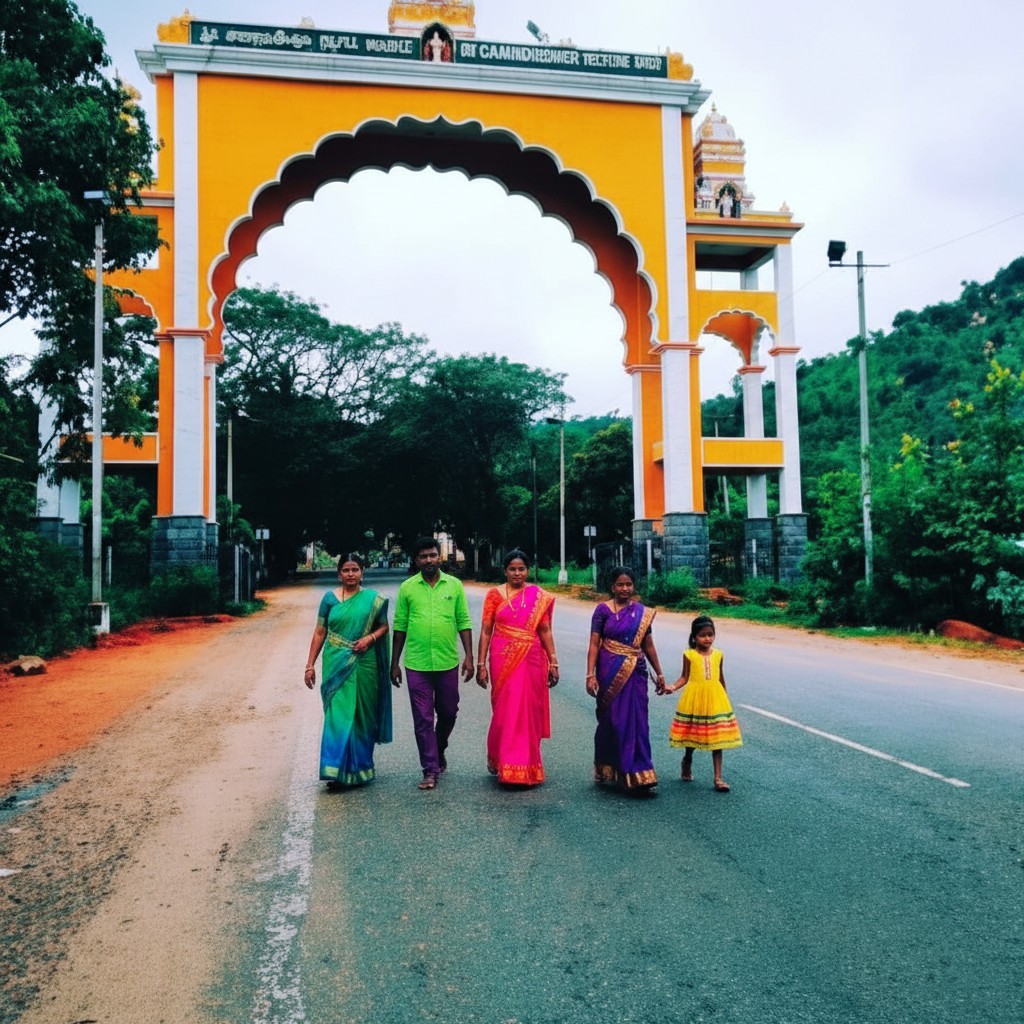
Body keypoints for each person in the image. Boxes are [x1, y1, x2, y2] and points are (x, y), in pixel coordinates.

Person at [390, 536, 474, 790]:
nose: (428, 560)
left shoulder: (455, 585)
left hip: (447, 661)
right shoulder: (407, 588)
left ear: (440, 557)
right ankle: (430, 769)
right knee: (423, 719)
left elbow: (464, 621)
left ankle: (439, 748)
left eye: (432, 555)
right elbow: (400, 626)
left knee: (449, 712)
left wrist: (469, 656)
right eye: (423, 556)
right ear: (416, 560)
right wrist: (395, 662)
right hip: (416, 664)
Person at [304, 555, 392, 790]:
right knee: (338, 715)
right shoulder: (329, 599)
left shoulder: (374, 600)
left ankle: (360, 769)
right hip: (336, 662)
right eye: (346, 570)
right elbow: (320, 631)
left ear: (362, 572)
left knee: (363, 714)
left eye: (355, 569)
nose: (351, 574)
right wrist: (310, 664)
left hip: (366, 661)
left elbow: (384, 626)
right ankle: (335, 770)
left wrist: (369, 638)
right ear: (339, 574)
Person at [476, 549, 559, 786]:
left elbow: (544, 630)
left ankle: (527, 766)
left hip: (532, 658)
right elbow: (485, 630)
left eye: (521, 568)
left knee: (528, 711)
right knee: (506, 710)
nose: (517, 573)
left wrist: (553, 660)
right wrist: (481, 664)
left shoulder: (537, 596)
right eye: (512, 569)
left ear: (527, 570)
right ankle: (504, 761)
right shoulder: (494, 595)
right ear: (505, 571)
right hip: (502, 658)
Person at [585, 566, 667, 792]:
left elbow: (648, 645)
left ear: (634, 586)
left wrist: (659, 673)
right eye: (620, 584)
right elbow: (594, 643)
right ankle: (608, 766)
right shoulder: (602, 611)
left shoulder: (642, 613)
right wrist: (590, 674)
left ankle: (639, 772)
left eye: (628, 584)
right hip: (609, 669)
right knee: (613, 721)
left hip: (636, 671)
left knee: (637, 721)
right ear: (612, 587)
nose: (624, 588)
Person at [665, 615, 743, 792]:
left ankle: (718, 778)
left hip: (715, 699)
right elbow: (684, 677)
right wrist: (672, 687)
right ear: (694, 637)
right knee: (693, 736)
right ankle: (687, 760)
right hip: (695, 698)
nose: (707, 638)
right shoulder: (689, 654)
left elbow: (720, 677)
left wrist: (725, 698)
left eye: (710, 634)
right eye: (702, 635)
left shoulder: (719, 654)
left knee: (718, 740)